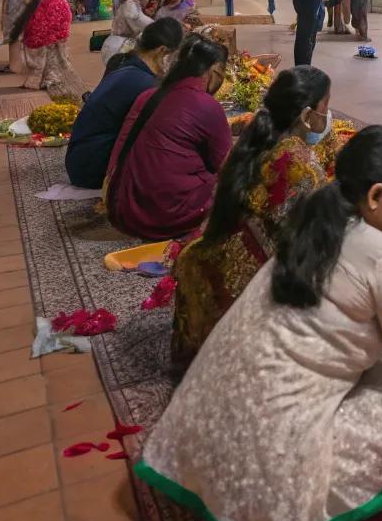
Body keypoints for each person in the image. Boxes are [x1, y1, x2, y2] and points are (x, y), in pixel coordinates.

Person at [135, 125, 382, 521]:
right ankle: (319, 492)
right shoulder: (381, 255)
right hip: (270, 480)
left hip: (198, 441)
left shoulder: (310, 221)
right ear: (375, 196)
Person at [171, 66, 335, 367]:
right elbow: (318, 239)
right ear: (306, 115)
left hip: (211, 261)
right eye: (326, 106)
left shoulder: (257, 139)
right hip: (251, 289)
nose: (328, 116)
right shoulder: (298, 164)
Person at [105, 33, 231, 240]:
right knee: (238, 184)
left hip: (121, 208)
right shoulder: (206, 105)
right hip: (165, 215)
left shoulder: (148, 95)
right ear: (215, 70)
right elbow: (225, 165)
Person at [65, 19, 184, 189]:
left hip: (79, 160)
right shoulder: (144, 83)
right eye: (174, 56)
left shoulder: (124, 64)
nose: (174, 62)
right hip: (91, 169)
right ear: (162, 51)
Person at [11, 0, 84, 99]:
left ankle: (41, 80)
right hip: (49, 33)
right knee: (52, 58)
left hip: (43, 33)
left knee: (41, 60)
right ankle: (48, 79)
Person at [102, 0, 153, 65]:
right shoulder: (131, 5)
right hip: (119, 48)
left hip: (116, 45)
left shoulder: (130, 2)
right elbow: (143, 22)